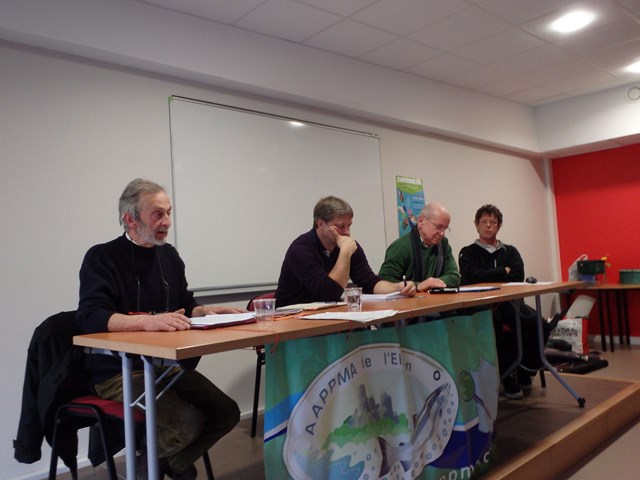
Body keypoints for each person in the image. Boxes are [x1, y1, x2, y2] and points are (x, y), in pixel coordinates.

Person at [76, 178, 241, 479]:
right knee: (186, 423)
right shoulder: (102, 257)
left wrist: (205, 312)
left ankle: (161, 463)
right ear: (130, 219)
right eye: (157, 214)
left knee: (226, 412)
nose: (167, 222)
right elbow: (91, 316)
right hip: (118, 371)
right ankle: (157, 466)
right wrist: (146, 321)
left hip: (164, 367)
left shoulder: (169, 255)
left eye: (169, 213)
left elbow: (184, 303)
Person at [458, 204, 538, 400]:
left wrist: (490, 275)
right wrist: (503, 271)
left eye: (493, 222)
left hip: (510, 302)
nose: (488, 226)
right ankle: (506, 376)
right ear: (476, 225)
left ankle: (527, 367)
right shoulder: (467, 252)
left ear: (499, 226)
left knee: (537, 322)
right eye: (484, 222)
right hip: (482, 305)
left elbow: (518, 275)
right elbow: (470, 277)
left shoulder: (510, 251)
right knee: (494, 324)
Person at [275, 195, 416, 308]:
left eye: (349, 225)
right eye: (341, 226)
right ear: (320, 223)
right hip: (290, 319)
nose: (347, 232)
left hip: (325, 316)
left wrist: (397, 287)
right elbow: (329, 293)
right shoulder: (301, 250)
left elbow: (369, 282)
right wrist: (345, 253)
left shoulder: (347, 244)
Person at [378, 202, 460, 292]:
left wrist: (431, 283)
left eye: (445, 228)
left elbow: (454, 277)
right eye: (438, 227)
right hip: (407, 300)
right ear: (421, 221)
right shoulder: (401, 247)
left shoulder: (443, 243)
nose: (442, 233)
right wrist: (419, 286)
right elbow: (384, 282)